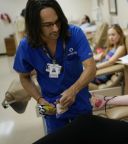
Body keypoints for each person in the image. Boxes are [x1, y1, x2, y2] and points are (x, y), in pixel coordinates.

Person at [13, 0, 96, 134]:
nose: (56, 28)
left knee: (85, 137)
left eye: (57, 22)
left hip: (79, 99)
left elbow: (91, 68)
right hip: (50, 105)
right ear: (35, 25)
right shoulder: (26, 46)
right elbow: (24, 78)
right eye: (48, 25)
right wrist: (40, 100)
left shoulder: (74, 33)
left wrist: (73, 90)